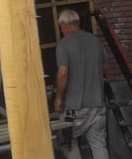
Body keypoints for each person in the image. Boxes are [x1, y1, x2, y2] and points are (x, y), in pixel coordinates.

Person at [54, 9, 109, 159]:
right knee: (99, 144)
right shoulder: (95, 41)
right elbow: (105, 67)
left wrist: (58, 97)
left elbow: (63, 73)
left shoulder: (63, 45)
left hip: (74, 108)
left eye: (61, 27)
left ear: (64, 25)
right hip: (97, 105)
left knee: (67, 142)